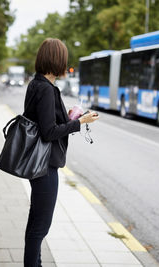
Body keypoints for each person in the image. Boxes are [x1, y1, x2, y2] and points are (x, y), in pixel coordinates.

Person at [22, 38, 99, 267]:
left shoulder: (36, 84)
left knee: (36, 222)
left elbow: (43, 121)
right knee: (41, 226)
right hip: (45, 166)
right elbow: (48, 132)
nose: (66, 65)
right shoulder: (46, 89)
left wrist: (67, 116)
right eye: (64, 60)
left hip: (39, 163)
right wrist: (80, 122)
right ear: (56, 60)